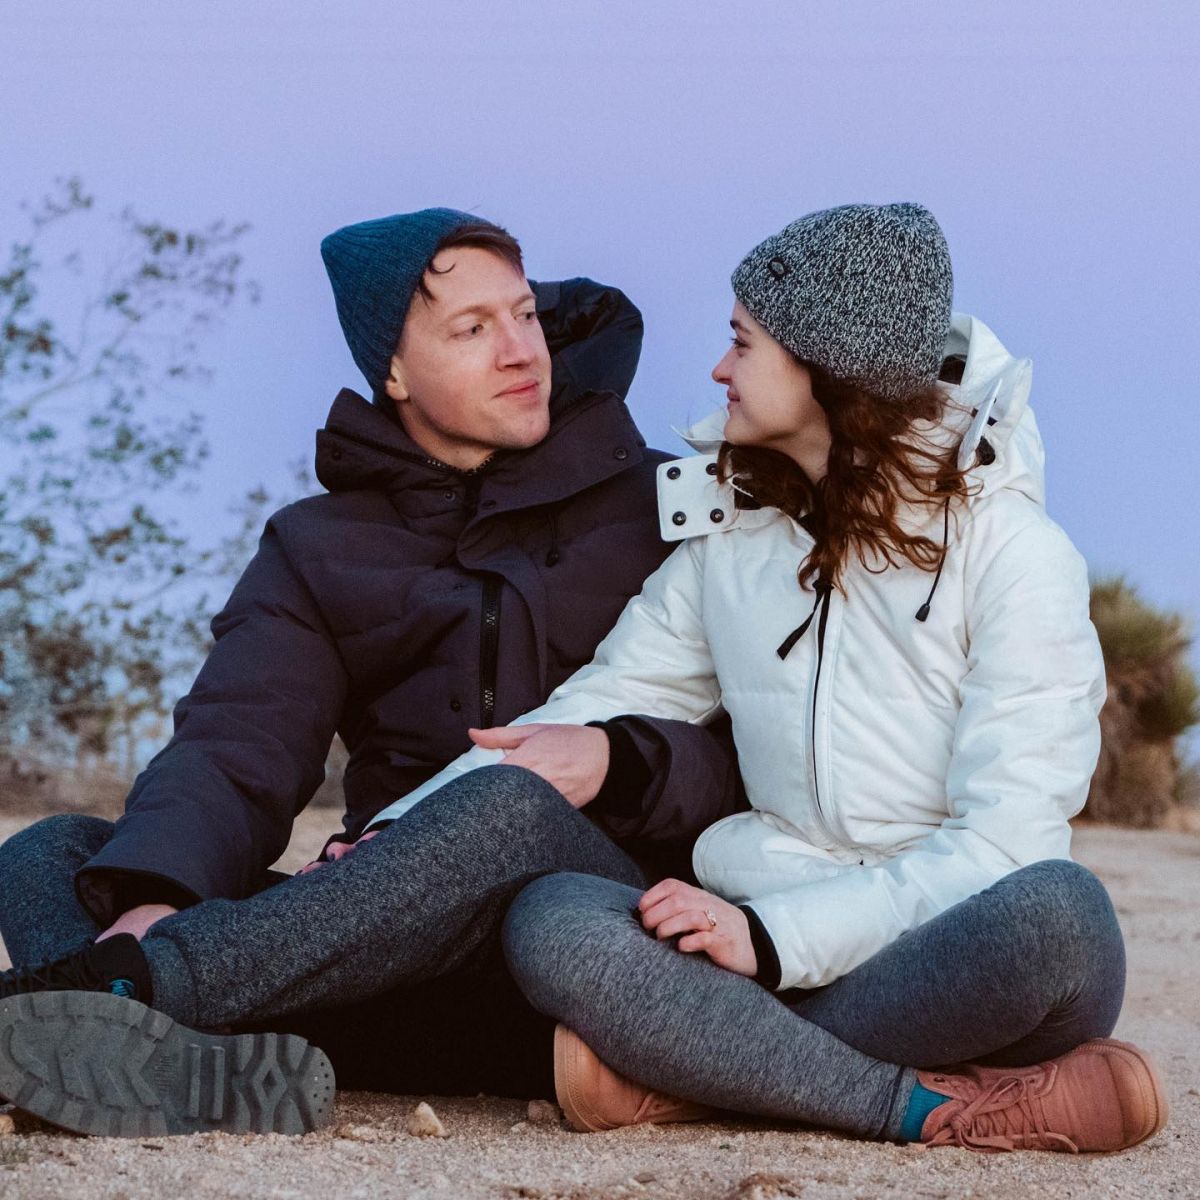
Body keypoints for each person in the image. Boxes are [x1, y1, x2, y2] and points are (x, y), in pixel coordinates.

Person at [375, 202, 1167, 1154]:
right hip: (758, 934)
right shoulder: (735, 541)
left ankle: (700, 1076)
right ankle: (926, 1099)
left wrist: (774, 938)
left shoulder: (1018, 555)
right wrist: (398, 829)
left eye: (741, 342)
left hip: (939, 954)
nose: (717, 370)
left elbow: (1001, 848)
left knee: (1058, 918)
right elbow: (600, 700)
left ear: (825, 367)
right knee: (556, 918)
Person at [0, 209, 742, 1137]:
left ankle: (111, 998)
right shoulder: (321, 546)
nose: (521, 350)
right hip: (374, 928)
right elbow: (236, 746)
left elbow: (754, 751)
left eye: (524, 315)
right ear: (392, 372)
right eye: (472, 330)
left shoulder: (667, 506)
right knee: (53, 852)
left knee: (506, 805)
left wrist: (617, 758)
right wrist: (155, 898)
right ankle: (177, 1054)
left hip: (595, 915)